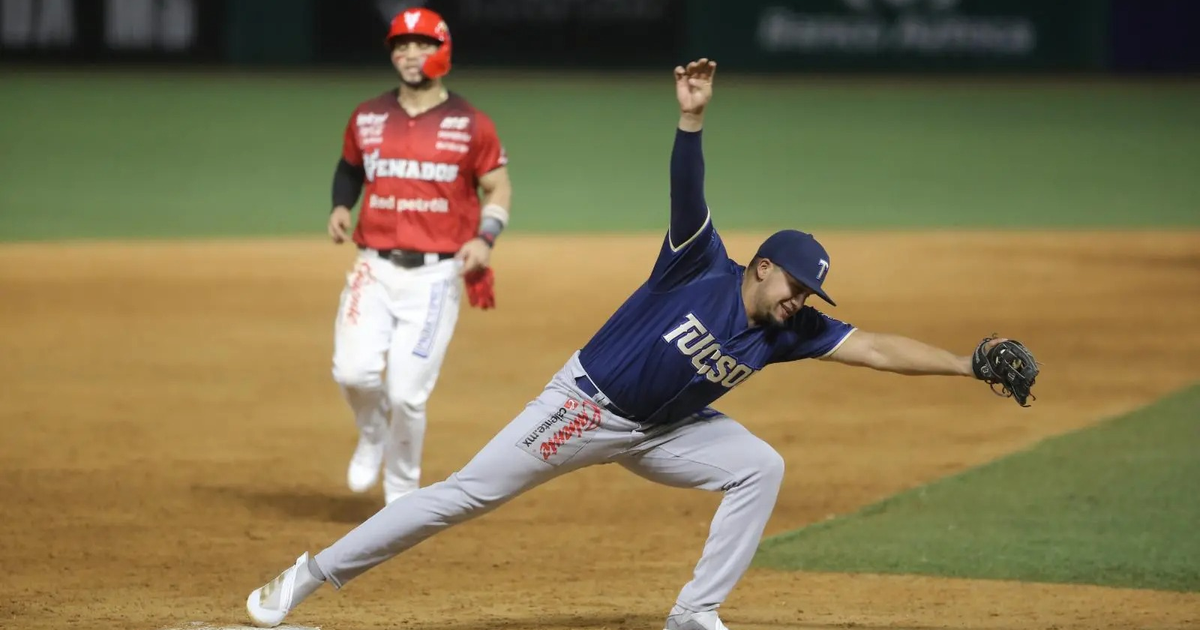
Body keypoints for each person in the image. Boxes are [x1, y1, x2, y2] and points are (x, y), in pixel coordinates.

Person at [246, 58, 1036, 630]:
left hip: (666, 431)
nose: (800, 302)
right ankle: (307, 577)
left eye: (808, 295)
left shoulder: (787, 330)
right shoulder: (698, 260)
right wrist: (691, 118)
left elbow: (878, 349)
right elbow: (686, 186)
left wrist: (967, 363)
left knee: (760, 466)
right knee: (459, 499)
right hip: (582, 408)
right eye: (793, 286)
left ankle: (694, 615)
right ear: (760, 268)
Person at [328, 7, 512, 506]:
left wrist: (485, 238)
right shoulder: (368, 117)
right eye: (401, 46)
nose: (411, 55)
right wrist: (342, 205)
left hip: (436, 277)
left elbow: (497, 187)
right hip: (374, 266)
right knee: (352, 372)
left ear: (443, 50)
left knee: (409, 393)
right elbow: (349, 169)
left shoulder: (470, 123)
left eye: (422, 44)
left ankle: (402, 492)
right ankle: (372, 434)